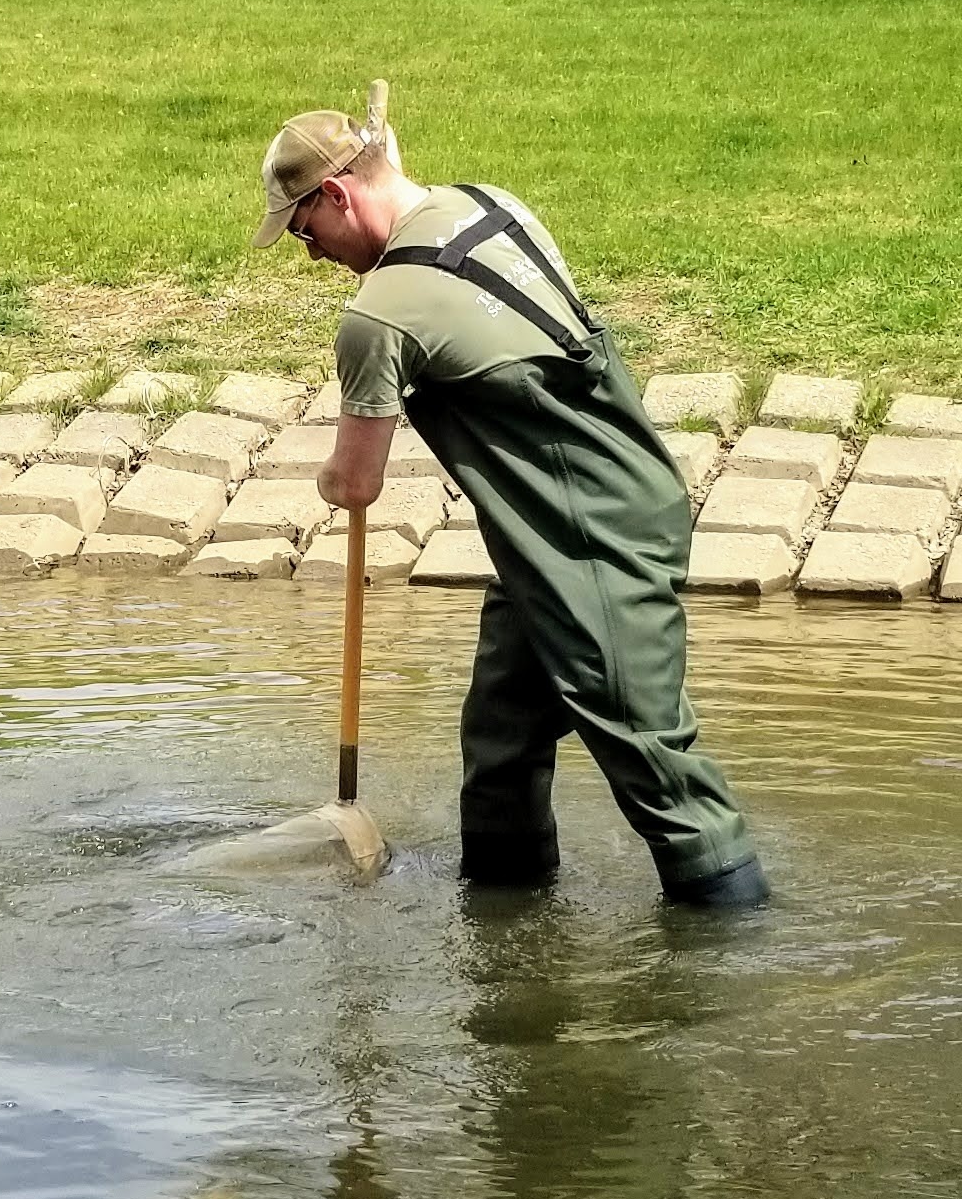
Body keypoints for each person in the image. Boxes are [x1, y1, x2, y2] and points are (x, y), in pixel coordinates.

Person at [251, 95, 768, 906]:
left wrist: (323, 478)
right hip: (573, 515)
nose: (311, 255)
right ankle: (501, 913)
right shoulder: (489, 204)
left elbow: (355, 485)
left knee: (652, 759)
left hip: (591, 534)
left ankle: (737, 961)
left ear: (337, 196)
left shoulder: (378, 315)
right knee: (501, 736)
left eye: (306, 232)